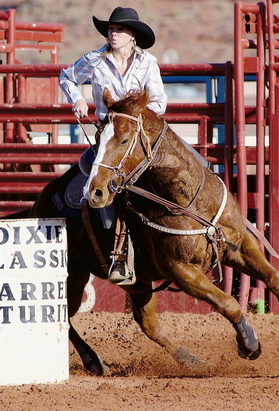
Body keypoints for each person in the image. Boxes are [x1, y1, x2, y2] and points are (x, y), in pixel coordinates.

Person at [59, 7, 167, 285]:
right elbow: (67, 77)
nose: (113, 33)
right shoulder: (94, 60)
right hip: (108, 136)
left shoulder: (147, 63)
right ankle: (115, 252)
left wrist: (131, 117)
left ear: (132, 35)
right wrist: (77, 99)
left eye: (119, 29)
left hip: (138, 137)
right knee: (99, 182)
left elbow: (159, 102)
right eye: (110, 29)